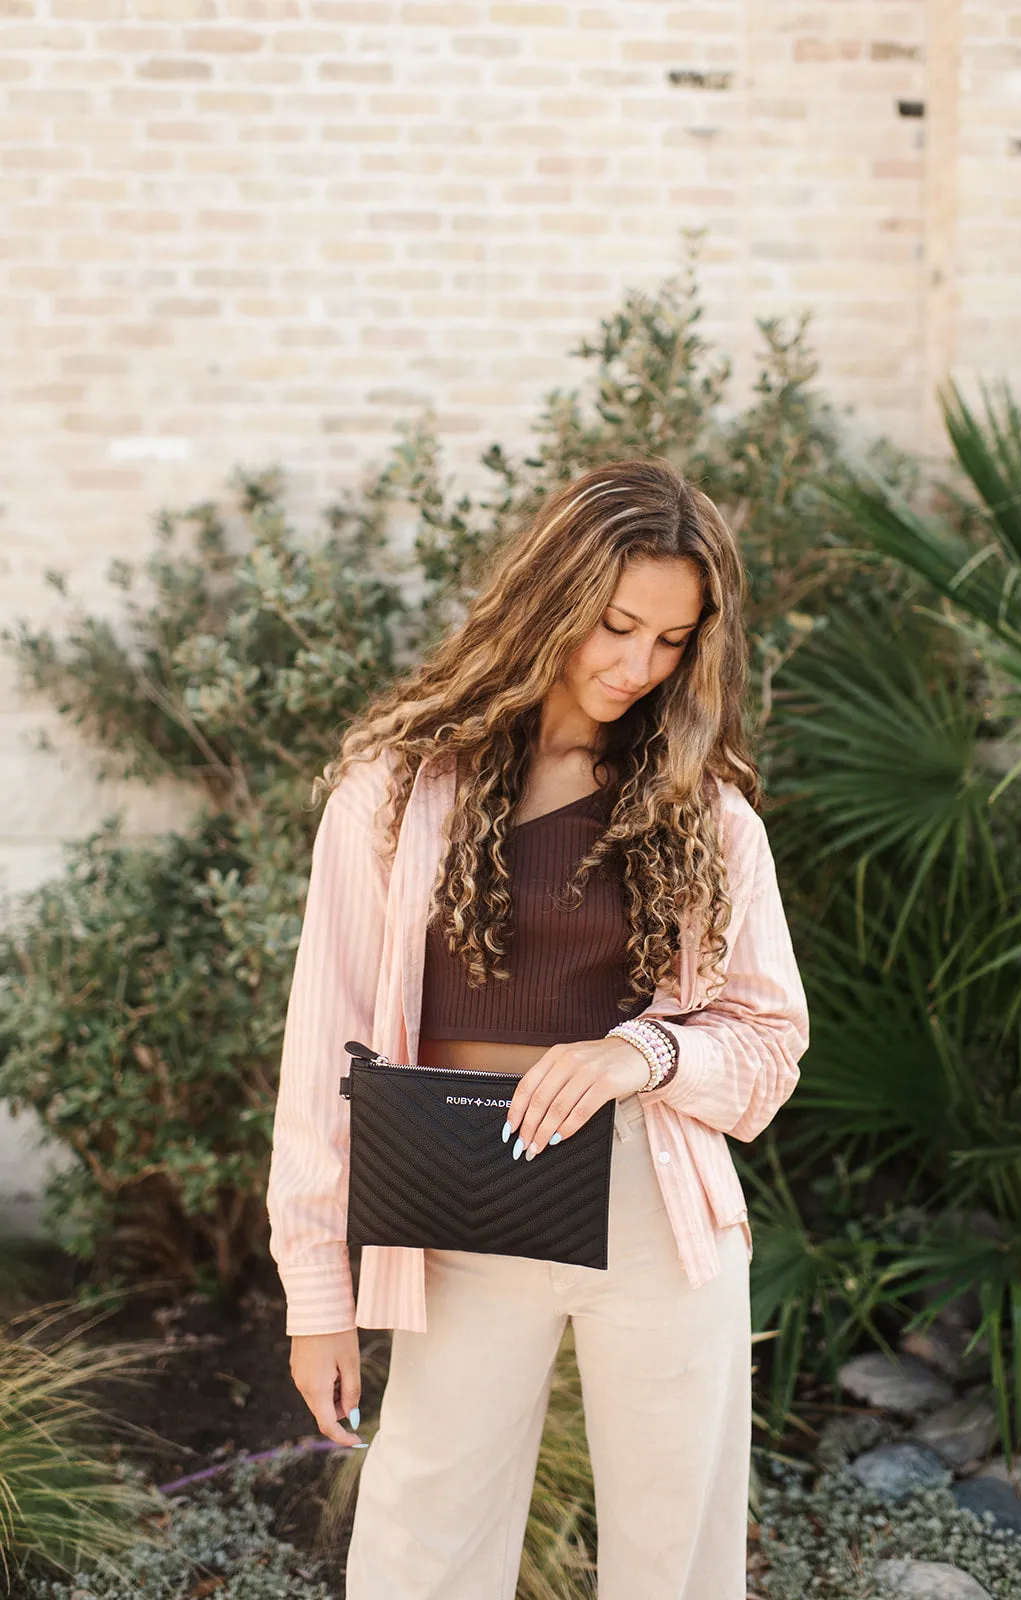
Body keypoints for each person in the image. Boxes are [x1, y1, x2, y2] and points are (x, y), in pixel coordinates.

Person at [265, 455, 810, 1600]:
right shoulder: (397, 790)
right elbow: (324, 1059)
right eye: (615, 626)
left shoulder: (707, 807)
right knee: (424, 1540)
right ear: (551, 596)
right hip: (459, 1191)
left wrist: (642, 1050)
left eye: (671, 640)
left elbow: (767, 1043)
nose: (636, 666)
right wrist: (317, 1298)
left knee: (676, 1550)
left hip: (652, 1203)